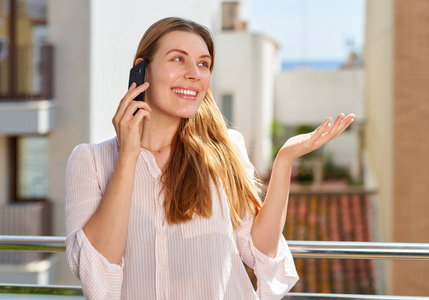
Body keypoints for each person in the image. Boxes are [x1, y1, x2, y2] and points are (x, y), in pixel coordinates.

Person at [65, 17, 354, 300]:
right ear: (142, 71)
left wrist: (284, 161)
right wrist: (128, 156)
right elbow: (97, 278)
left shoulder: (225, 151)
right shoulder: (91, 161)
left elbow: (260, 250)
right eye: (178, 59)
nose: (194, 74)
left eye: (203, 64)